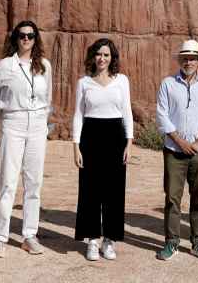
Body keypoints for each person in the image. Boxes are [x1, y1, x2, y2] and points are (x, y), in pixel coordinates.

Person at [0, 20, 53, 258]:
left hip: (36, 125)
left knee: (34, 183)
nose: (26, 39)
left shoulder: (44, 65)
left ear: (36, 39)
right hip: (12, 123)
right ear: (15, 38)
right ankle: (0, 238)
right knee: (7, 182)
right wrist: (4, 116)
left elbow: (48, 98)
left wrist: (42, 122)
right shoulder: (5, 65)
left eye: (31, 35)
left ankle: (29, 235)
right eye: (22, 35)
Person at [155, 39, 198, 261]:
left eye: (192, 58)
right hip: (174, 150)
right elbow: (162, 116)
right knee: (172, 198)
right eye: (185, 58)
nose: (188, 61)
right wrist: (180, 141)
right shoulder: (167, 84)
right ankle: (171, 242)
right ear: (179, 60)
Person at [72, 38, 133, 261]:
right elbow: (78, 115)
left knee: (114, 191)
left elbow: (127, 112)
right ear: (93, 56)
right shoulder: (84, 83)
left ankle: (109, 240)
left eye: (106, 55)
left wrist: (129, 142)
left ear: (112, 58)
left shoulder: (122, 81)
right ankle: (92, 239)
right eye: (98, 54)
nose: (102, 58)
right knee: (89, 190)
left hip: (115, 137)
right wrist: (76, 147)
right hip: (90, 137)